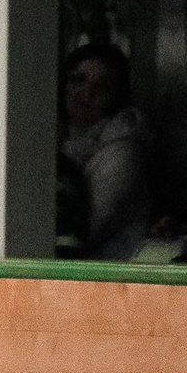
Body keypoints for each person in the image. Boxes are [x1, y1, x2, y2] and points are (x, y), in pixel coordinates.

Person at [59, 41, 155, 262]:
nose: (87, 92)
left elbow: (78, 234)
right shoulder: (53, 138)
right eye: (78, 80)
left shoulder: (123, 153)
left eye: (102, 86)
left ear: (116, 95)